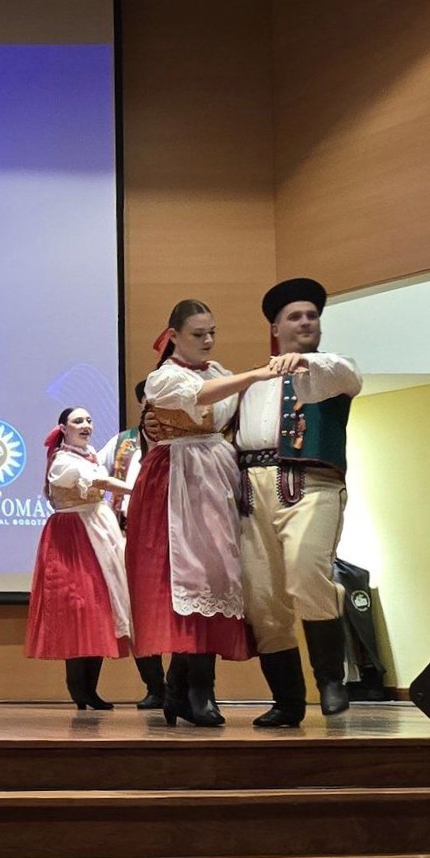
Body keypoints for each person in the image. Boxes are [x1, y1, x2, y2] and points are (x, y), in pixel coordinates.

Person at [125, 299, 280, 728]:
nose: (208, 340)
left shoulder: (218, 372)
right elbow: (196, 397)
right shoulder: (164, 377)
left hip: (216, 473)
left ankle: (183, 689)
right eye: (198, 334)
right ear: (174, 335)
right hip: (177, 479)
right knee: (187, 577)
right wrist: (253, 375)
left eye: (212, 332)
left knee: (215, 578)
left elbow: (232, 409)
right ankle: (197, 690)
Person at [238, 279, 364, 727]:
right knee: (262, 597)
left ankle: (330, 680)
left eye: (312, 315)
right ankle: (287, 701)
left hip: (311, 484)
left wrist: (305, 361)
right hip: (252, 489)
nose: (307, 321)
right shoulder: (251, 382)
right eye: (296, 316)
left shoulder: (331, 371)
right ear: (275, 328)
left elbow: (346, 375)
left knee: (307, 572)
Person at [24, 408, 134, 710]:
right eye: (77, 422)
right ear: (63, 428)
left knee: (100, 607)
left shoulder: (90, 455)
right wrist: (137, 488)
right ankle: (79, 689)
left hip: (98, 530)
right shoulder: (62, 461)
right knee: (77, 608)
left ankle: (90, 690)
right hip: (72, 536)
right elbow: (100, 482)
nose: (85, 425)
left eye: (88, 421)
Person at [100, 379, 168, 709]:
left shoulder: (181, 442)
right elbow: (93, 475)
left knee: (179, 610)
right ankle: (156, 685)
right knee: (136, 611)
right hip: (129, 535)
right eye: (149, 402)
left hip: (172, 535)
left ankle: (184, 684)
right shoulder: (121, 443)